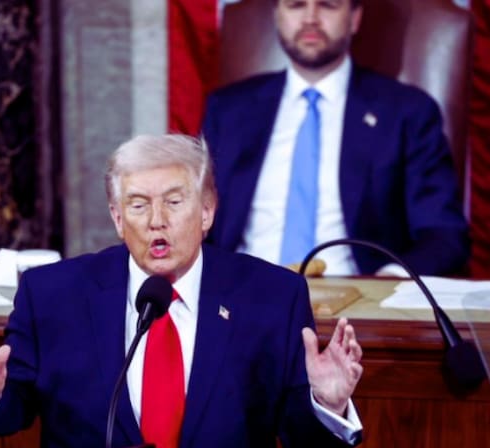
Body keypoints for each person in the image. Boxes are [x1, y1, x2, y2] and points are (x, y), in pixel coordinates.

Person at [0, 133, 363, 448]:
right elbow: (18, 404)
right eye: (138, 205)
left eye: (174, 202)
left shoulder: (271, 296)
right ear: (118, 219)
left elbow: (302, 440)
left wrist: (327, 403)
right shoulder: (52, 294)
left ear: (208, 211)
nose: (157, 221)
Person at [201, 0, 469, 277]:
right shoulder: (229, 110)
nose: (310, 18)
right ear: (277, 16)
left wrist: (391, 279)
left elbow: (443, 234)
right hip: (240, 298)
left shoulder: (407, 112)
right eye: (296, 5)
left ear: (354, 18)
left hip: (357, 302)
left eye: (327, 5)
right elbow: (197, 222)